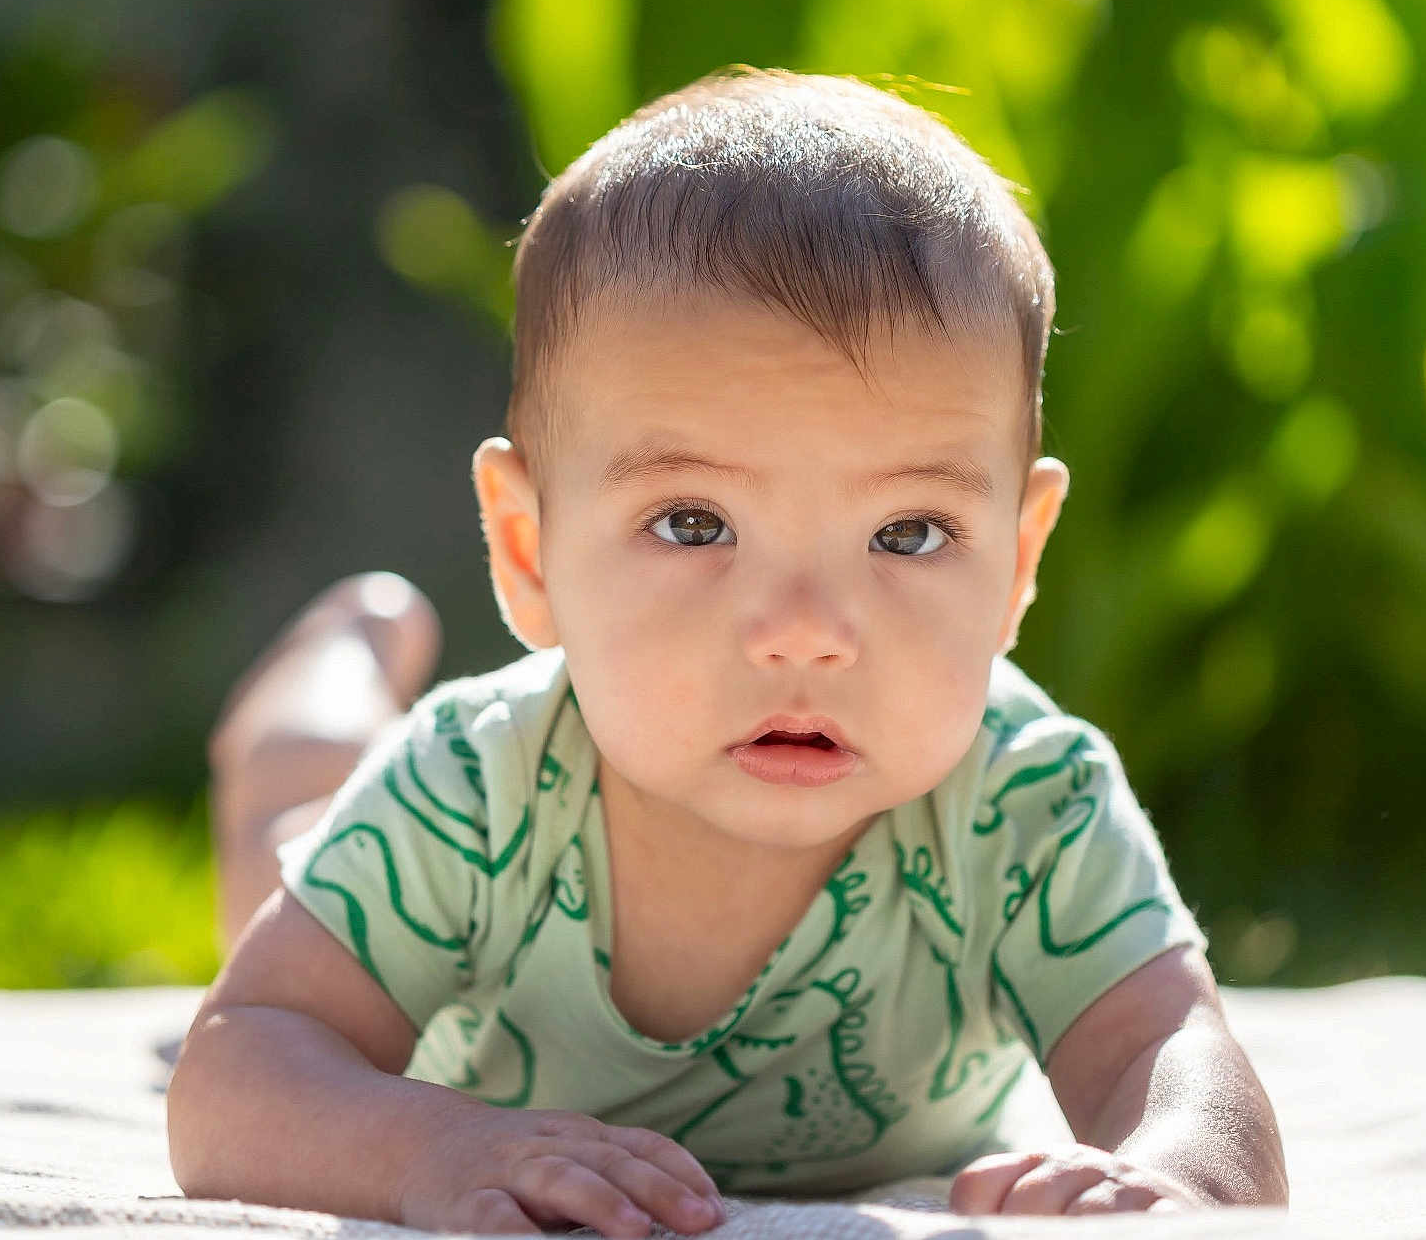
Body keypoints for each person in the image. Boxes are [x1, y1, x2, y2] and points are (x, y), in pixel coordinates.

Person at [166, 66, 1288, 1236]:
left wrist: (1182, 1170)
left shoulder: (1025, 800)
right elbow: (238, 1072)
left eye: (907, 533)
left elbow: (1165, 1042)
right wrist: (434, 1143)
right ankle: (321, 685)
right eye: (694, 524)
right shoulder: (471, 788)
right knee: (288, 840)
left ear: (1015, 560)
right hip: (402, 917)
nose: (805, 629)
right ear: (530, 548)